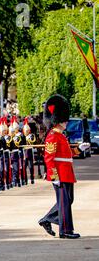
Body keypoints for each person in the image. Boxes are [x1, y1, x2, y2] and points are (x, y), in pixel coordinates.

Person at [38, 95, 89, 239]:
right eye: (64, 119)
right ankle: (65, 231)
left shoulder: (61, 135)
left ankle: (47, 219)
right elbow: (49, 158)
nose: (66, 122)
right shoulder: (53, 135)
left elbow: (68, 154)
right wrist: (54, 176)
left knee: (68, 200)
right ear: (58, 120)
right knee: (64, 202)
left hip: (66, 172)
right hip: (60, 173)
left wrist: (79, 149)